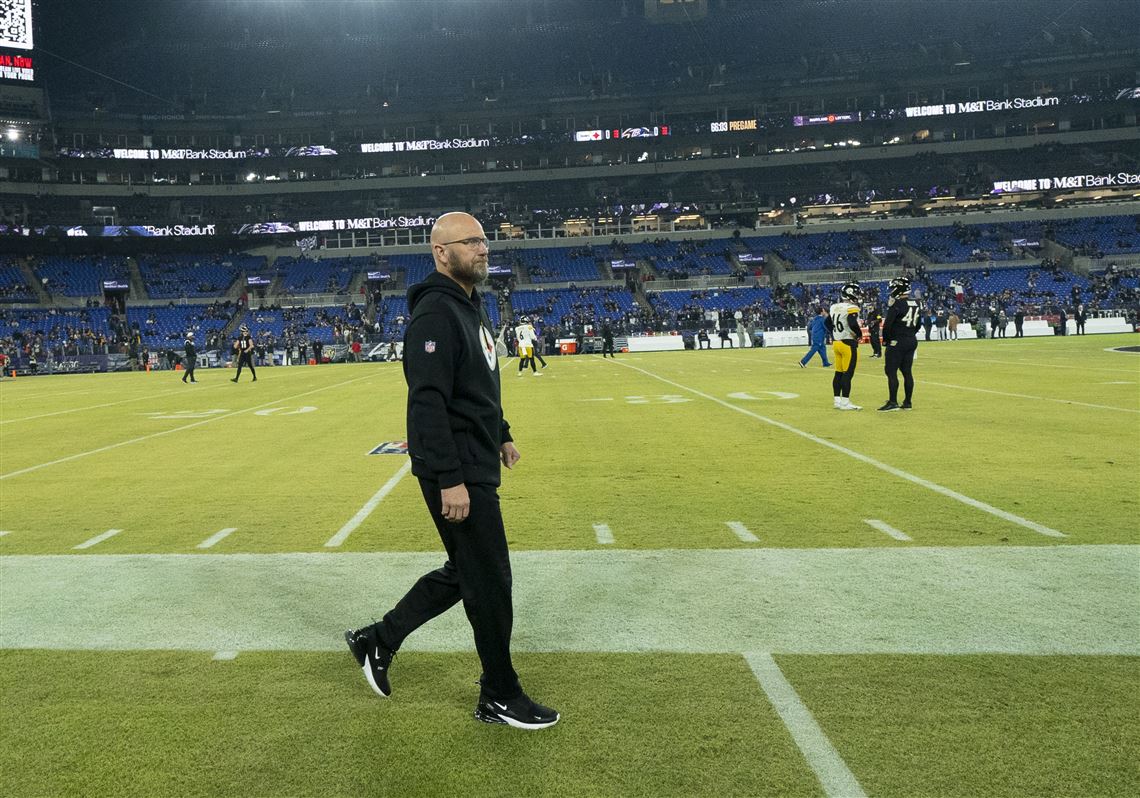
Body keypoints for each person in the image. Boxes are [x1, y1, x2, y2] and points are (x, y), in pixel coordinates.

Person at [343, 212, 559, 730]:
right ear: (441, 252)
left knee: (469, 573)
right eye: (471, 242)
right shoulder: (436, 315)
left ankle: (380, 638)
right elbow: (427, 403)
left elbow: (479, 384)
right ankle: (499, 694)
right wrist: (450, 478)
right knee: (491, 581)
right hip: (458, 468)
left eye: (485, 240)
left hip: (477, 458)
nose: (483, 249)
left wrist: (501, 431)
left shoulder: (470, 306)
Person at [878, 277, 920, 411]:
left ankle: (893, 402)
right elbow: (919, 324)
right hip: (911, 339)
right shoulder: (917, 304)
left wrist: (886, 340)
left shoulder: (897, 304)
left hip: (897, 341)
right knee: (907, 372)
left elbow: (888, 324)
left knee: (891, 371)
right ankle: (908, 402)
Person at [828, 282, 862, 410]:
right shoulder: (851, 308)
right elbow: (852, 322)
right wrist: (858, 334)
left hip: (837, 342)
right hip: (847, 342)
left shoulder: (834, 307)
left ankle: (837, 400)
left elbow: (828, 323)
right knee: (848, 373)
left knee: (838, 373)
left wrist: (835, 333)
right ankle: (845, 402)